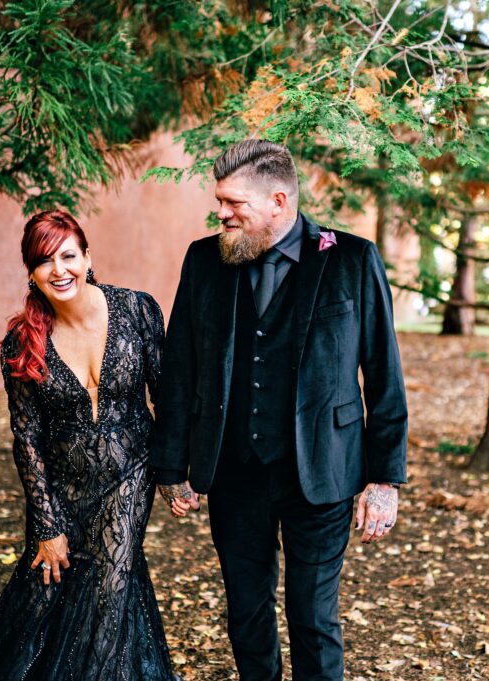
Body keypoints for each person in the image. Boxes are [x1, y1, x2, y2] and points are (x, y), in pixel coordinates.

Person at [150, 140, 408, 681]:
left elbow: (384, 373)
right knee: (246, 615)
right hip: (233, 471)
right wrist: (175, 468)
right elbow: (181, 368)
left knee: (313, 619)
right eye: (218, 201)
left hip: (324, 472)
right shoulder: (204, 259)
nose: (221, 213)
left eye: (233, 203)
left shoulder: (352, 259)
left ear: (278, 200)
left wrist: (385, 480)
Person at [0, 210, 175, 680]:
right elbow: (27, 436)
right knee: (46, 589)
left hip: (131, 468)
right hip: (61, 483)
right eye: (44, 261)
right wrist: (47, 523)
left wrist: (175, 474)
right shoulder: (22, 341)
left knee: (111, 580)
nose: (60, 269)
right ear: (31, 273)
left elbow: (167, 396)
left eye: (68, 255)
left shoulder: (137, 309)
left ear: (88, 257)